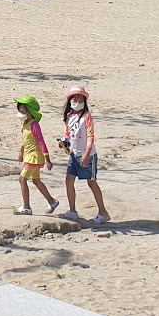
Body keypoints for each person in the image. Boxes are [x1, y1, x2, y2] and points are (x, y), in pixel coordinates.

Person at [58, 84, 110, 224]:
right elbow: (67, 134)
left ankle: (103, 212)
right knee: (69, 180)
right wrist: (64, 142)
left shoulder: (87, 116)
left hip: (87, 154)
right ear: (70, 100)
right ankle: (72, 211)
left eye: (81, 99)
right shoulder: (68, 116)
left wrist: (87, 154)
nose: (77, 102)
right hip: (74, 154)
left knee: (91, 182)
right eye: (75, 99)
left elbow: (90, 136)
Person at [13, 95, 59, 216]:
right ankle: (52, 201)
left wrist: (48, 159)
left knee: (22, 179)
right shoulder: (25, 124)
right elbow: (24, 141)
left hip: (34, 157)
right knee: (36, 180)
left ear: (29, 110)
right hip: (29, 156)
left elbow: (41, 141)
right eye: (19, 108)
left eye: (22, 109)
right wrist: (21, 153)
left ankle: (26, 207)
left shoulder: (34, 125)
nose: (20, 111)